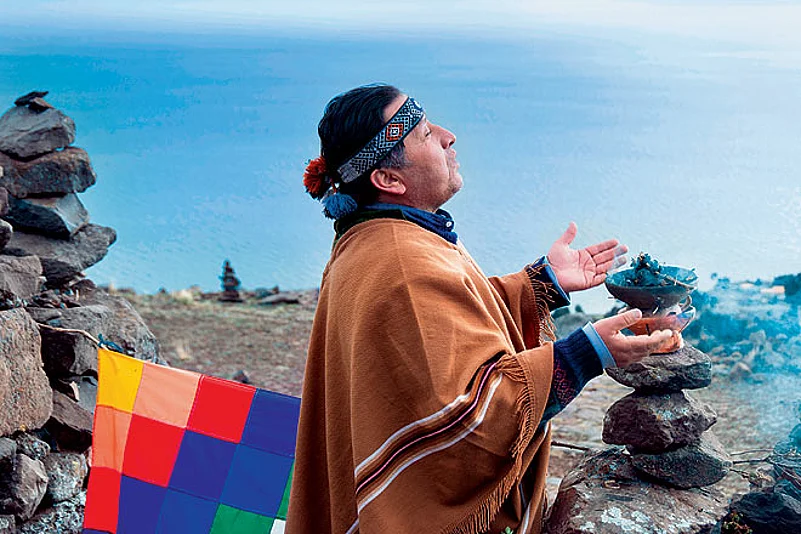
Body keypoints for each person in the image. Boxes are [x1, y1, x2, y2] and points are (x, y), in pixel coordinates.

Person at [287, 84, 673, 534]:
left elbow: (444, 324)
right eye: (426, 134)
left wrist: (543, 283)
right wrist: (588, 354)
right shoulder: (401, 263)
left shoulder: (377, 238)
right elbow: (472, 419)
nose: (449, 136)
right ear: (389, 180)